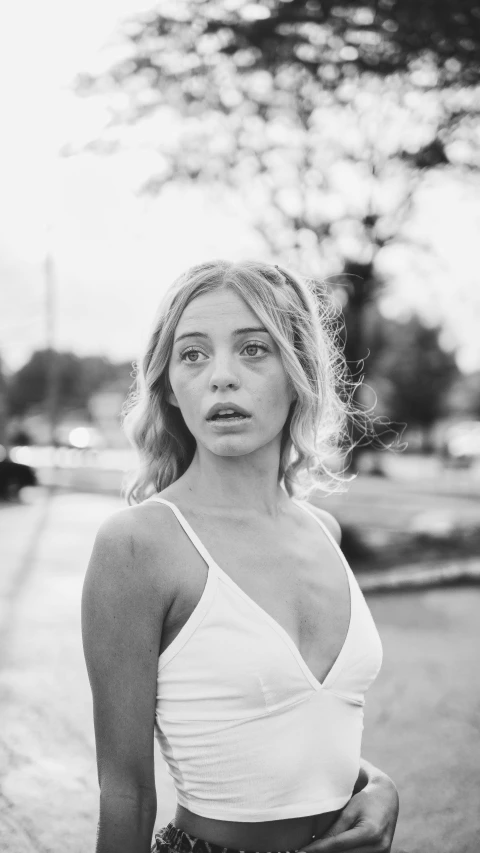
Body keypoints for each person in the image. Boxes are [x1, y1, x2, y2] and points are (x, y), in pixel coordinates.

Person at [82, 260, 400, 853]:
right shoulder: (137, 546)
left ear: (299, 370)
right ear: (170, 387)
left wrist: (376, 785)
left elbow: (301, 733)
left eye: (254, 349)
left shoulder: (322, 531)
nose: (221, 378)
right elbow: (125, 792)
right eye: (193, 354)